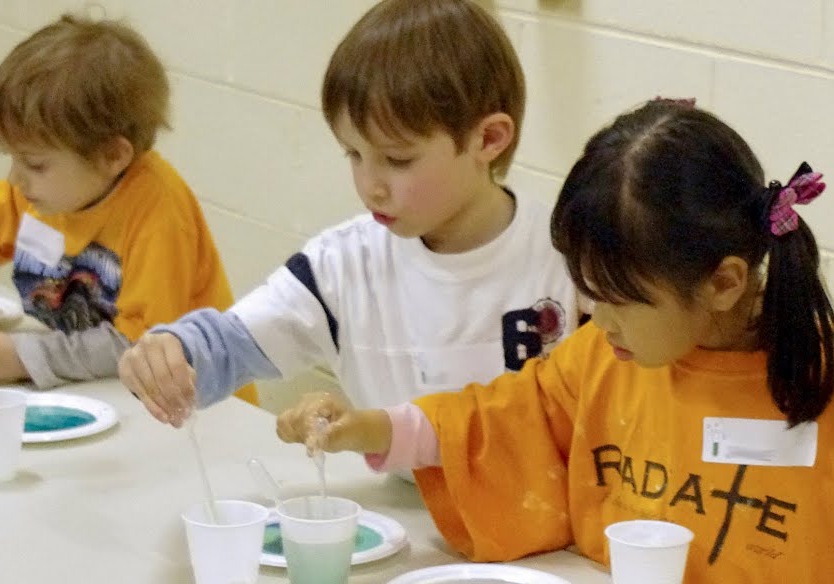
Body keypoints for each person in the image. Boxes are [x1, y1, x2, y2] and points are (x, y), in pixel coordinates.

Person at [275, 99, 834, 584]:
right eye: (589, 294)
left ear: (724, 282)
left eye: (622, 301)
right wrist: (371, 428)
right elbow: (496, 419)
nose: (598, 320)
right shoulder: (603, 356)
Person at [118, 0, 586, 446]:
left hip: (548, 519)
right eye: (354, 154)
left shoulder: (570, 255)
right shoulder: (341, 264)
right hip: (403, 517)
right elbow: (231, 344)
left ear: (489, 138)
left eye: (398, 160)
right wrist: (169, 354)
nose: (370, 185)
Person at [0, 13, 257, 404]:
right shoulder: (41, 192)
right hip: (106, 396)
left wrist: (16, 357)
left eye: (35, 164)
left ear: (112, 155)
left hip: (198, 411)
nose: (15, 180)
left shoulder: (158, 209)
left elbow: (138, 344)